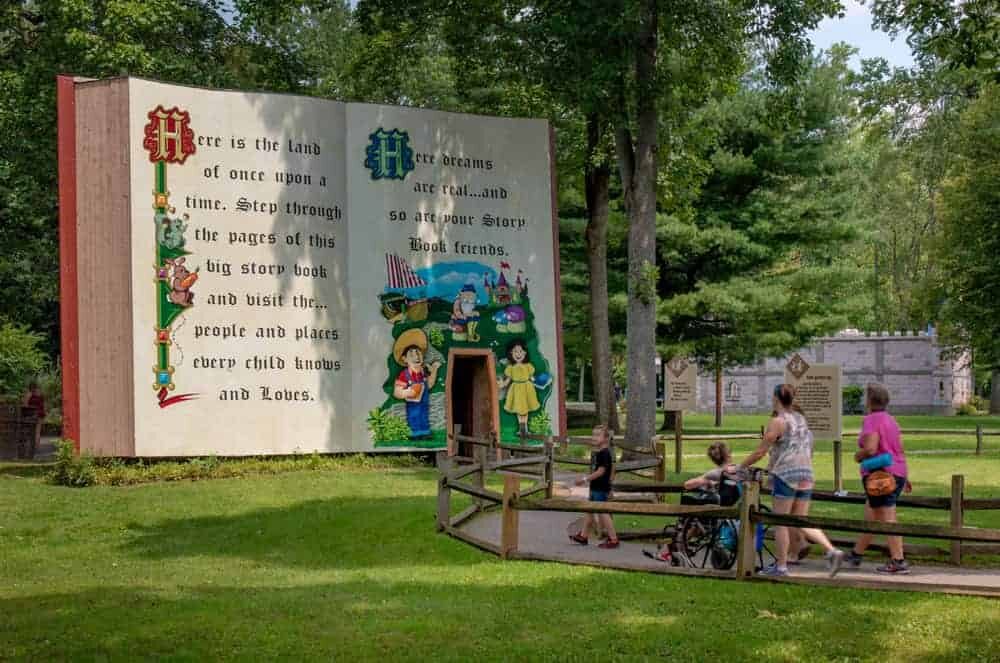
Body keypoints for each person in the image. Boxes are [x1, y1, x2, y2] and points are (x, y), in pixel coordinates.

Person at [737, 384, 844, 577]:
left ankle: (781, 566)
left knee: (781, 522)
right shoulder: (800, 418)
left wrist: (740, 467)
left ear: (776, 398)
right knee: (799, 520)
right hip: (806, 472)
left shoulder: (778, 421)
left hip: (787, 474)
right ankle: (832, 550)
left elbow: (761, 451)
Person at [845, 383, 911, 574]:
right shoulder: (892, 420)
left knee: (886, 517)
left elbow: (872, 448)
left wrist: (858, 456)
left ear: (869, 401)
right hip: (896, 471)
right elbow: (899, 448)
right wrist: (904, 477)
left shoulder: (871, 419)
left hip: (880, 476)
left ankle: (898, 560)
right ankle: (856, 554)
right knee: (872, 515)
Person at [569, 424, 619, 549]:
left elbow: (601, 471)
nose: (594, 437)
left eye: (598, 435)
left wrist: (585, 479)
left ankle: (613, 539)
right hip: (596, 487)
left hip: (600, 488)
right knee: (589, 511)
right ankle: (583, 536)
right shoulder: (601, 452)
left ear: (606, 439)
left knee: (602, 512)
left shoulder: (604, 453)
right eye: (593, 435)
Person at [391, 329, 441, 441]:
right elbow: (397, 392)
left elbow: (429, 385)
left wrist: (434, 371)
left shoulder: (423, 373)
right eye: (412, 354)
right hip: (413, 404)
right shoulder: (404, 374)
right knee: (414, 416)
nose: (416, 357)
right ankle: (415, 433)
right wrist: (408, 392)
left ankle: (425, 432)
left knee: (424, 416)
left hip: (423, 403)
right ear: (405, 359)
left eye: (418, 353)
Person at [497, 339, 540, 437]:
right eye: (515, 351)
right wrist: (501, 384)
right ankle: (522, 428)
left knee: (525, 409)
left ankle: (524, 428)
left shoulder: (528, 366)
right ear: (511, 353)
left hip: (527, 388)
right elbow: (507, 380)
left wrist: (536, 381)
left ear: (524, 353)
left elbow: (532, 377)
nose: (518, 354)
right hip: (516, 389)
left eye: (520, 351)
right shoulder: (511, 368)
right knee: (519, 409)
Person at [22, 381, 45, 450]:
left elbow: (25, 405)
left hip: (32, 414)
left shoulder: (29, 395)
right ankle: (36, 446)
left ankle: (32, 446)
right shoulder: (40, 394)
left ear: (30, 388)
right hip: (40, 414)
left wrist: (27, 397)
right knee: (37, 431)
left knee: (31, 431)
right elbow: (43, 405)